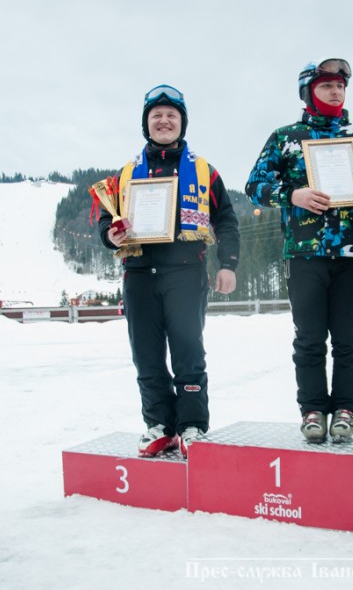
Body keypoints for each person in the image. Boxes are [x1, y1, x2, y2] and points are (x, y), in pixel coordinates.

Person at [245, 58, 353, 444]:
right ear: (308, 91)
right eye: (326, 85)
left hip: (351, 253)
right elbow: (254, 185)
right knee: (309, 338)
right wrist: (291, 194)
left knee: (349, 337)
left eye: (340, 86)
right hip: (304, 253)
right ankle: (312, 410)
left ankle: (346, 408)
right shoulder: (285, 137)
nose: (335, 91)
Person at [98, 84, 240, 459]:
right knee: (146, 355)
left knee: (188, 352)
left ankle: (192, 426)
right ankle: (159, 425)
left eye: (171, 115)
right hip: (140, 275)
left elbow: (226, 219)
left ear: (183, 123)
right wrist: (111, 236)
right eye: (156, 115)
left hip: (186, 275)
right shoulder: (125, 174)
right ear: (146, 124)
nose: (164, 121)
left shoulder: (204, 170)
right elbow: (104, 219)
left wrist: (228, 264)